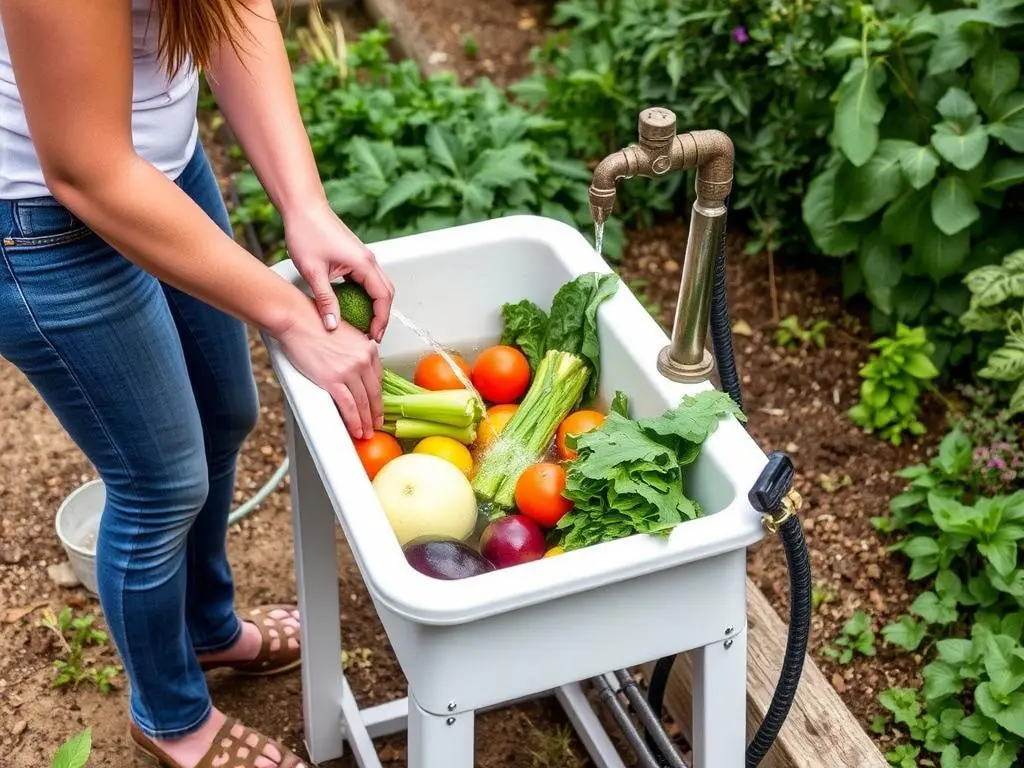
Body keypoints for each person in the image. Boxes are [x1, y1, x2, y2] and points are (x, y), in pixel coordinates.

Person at [0, 0, 393, 765]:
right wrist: (287, 313)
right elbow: (84, 167)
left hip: (164, 172)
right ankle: (172, 717)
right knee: (159, 483)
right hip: (44, 216)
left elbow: (236, 10)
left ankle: (209, 629)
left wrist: (305, 204)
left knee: (223, 413)